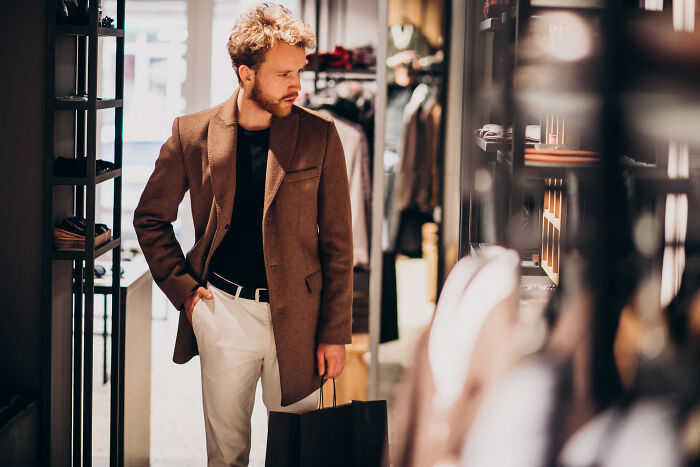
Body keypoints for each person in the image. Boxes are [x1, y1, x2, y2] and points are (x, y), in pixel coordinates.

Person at [133, 4, 353, 465]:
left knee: (296, 450)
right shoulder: (191, 133)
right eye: (284, 73)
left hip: (301, 318)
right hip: (223, 312)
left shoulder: (320, 135)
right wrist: (187, 294)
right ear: (246, 73)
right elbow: (150, 219)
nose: (298, 84)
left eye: (299, 71)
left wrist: (335, 332)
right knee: (227, 454)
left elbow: (337, 242)